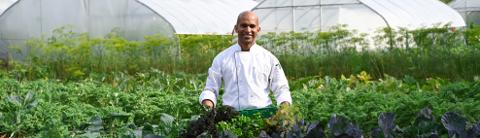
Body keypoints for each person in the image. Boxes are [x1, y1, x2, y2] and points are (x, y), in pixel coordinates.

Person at [199, 11, 292, 111]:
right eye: (243, 25)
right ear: (236, 28)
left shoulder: (269, 59)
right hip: (231, 117)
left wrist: (284, 108)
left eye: (252, 26)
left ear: (258, 29)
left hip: (263, 117)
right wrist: (208, 104)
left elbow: (281, 89)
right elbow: (211, 89)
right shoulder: (222, 58)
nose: (248, 30)